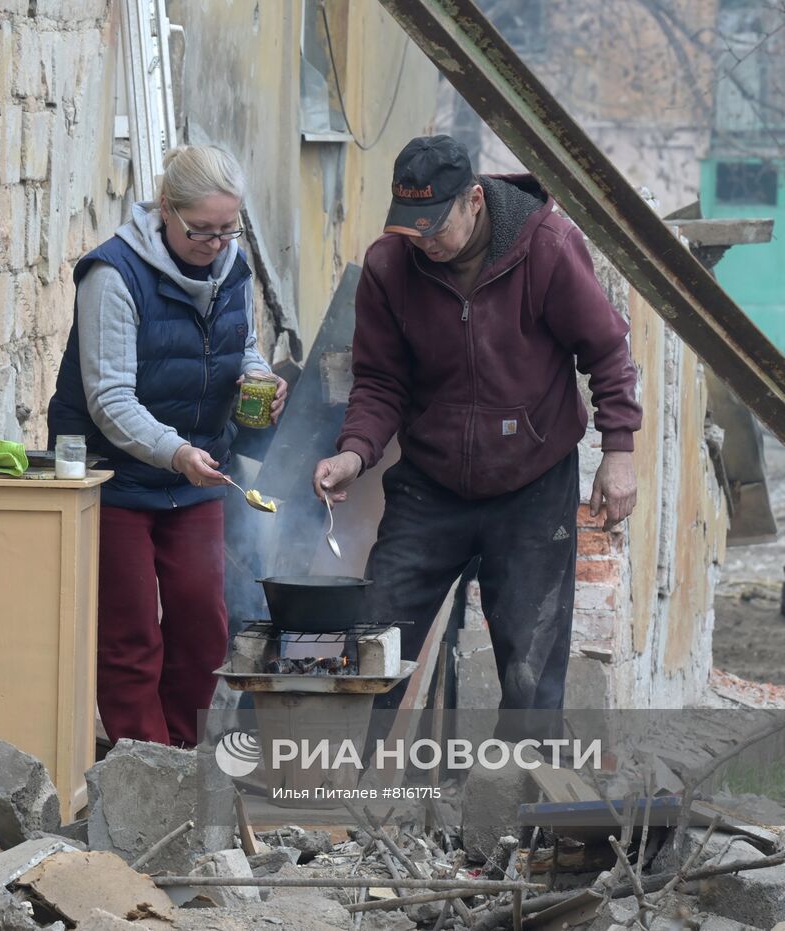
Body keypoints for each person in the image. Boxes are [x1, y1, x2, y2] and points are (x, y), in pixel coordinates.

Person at [312, 135, 642, 715]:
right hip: (429, 484)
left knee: (530, 672)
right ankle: (339, 794)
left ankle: (520, 797)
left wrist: (618, 452)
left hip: (532, 483)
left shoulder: (547, 247)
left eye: (435, 226)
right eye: (411, 227)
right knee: (372, 647)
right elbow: (380, 381)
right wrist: (356, 452)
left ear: (473, 201)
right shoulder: (391, 267)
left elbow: (607, 351)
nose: (424, 242)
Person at [48, 145, 287, 748]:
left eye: (228, 229)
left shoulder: (233, 266)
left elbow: (243, 347)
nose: (216, 243)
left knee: (204, 626)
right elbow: (109, 399)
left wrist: (261, 378)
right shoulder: (113, 275)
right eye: (201, 231)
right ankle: (141, 764)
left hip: (196, 470)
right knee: (131, 637)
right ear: (165, 211)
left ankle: (179, 756)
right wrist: (175, 451)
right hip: (114, 474)